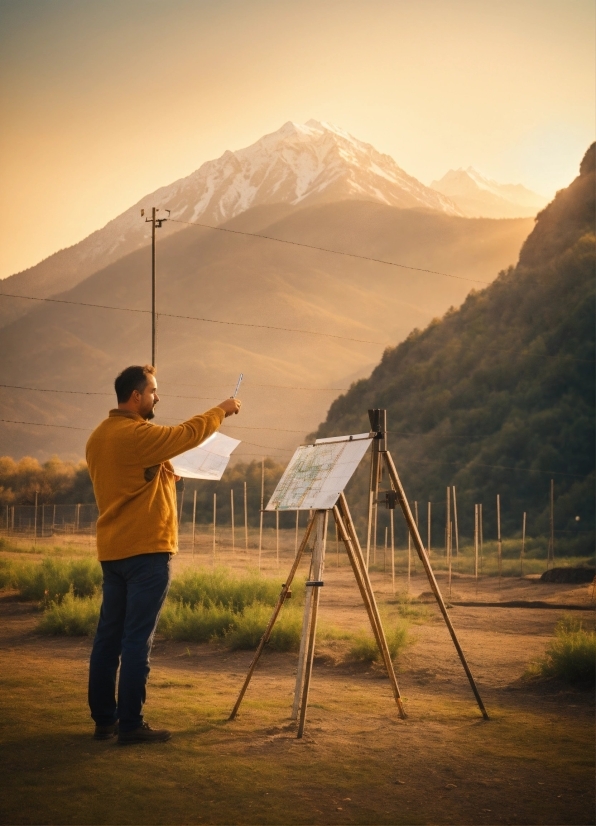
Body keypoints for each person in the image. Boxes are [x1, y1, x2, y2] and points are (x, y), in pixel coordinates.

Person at [86, 364, 241, 744]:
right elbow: (186, 434)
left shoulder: (98, 437)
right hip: (146, 552)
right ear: (136, 396)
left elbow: (128, 481)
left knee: (108, 638)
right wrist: (221, 410)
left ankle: (104, 720)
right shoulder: (137, 434)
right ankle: (131, 724)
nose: (158, 397)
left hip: (113, 551)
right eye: (154, 391)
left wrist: (163, 472)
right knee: (137, 639)